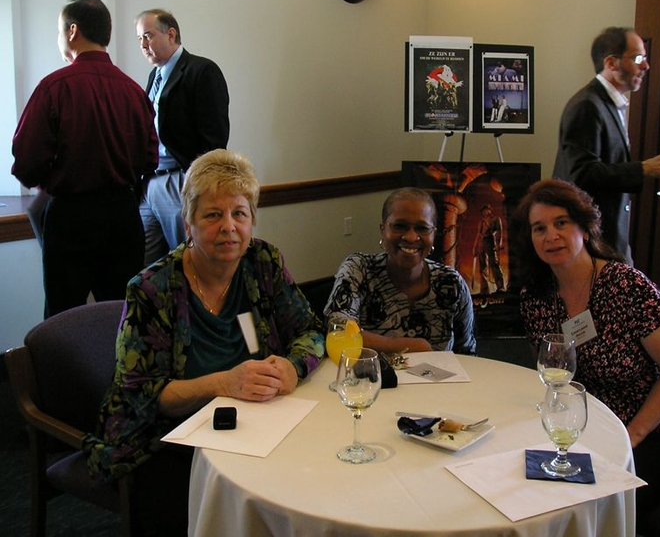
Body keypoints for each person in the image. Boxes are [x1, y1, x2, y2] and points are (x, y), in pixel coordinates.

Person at [84, 149, 324, 535]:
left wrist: (293, 366)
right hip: (164, 441)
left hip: (255, 424)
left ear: (252, 221)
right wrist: (222, 383)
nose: (228, 226)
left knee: (310, 475)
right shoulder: (152, 289)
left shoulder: (264, 263)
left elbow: (311, 331)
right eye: (213, 214)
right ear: (188, 224)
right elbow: (142, 396)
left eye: (239, 213)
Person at [514, 178, 660, 525]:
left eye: (561, 223)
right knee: (524, 486)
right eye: (539, 228)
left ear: (584, 226)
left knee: (584, 504)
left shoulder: (627, 286)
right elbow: (553, 373)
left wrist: (632, 435)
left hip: (645, 429)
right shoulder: (535, 298)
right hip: (579, 426)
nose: (550, 235)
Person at [11, 0, 158, 318]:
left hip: (71, 216)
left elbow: (26, 159)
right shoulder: (134, 92)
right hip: (123, 216)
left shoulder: (54, 87)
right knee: (122, 317)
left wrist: (49, 177)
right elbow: (150, 159)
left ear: (72, 31)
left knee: (63, 314)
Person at [552, 26, 660, 263]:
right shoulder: (587, 106)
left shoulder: (608, 105)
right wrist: (643, 169)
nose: (646, 66)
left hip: (610, 242)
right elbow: (581, 174)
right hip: (590, 247)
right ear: (611, 63)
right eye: (638, 58)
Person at [325, 187, 475, 355]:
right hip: (370, 379)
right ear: (383, 230)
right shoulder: (359, 269)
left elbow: (467, 353)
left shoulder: (451, 283)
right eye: (399, 226)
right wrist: (412, 346)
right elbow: (337, 331)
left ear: (434, 234)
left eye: (422, 228)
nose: (411, 237)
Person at [135, 8, 230, 265]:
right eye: (139, 39)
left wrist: (194, 185)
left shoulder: (201, 70)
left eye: (148, 36)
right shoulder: (154, 76)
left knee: (188, 263)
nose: (143, 45)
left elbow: (215, 139)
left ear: (171, 34)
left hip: (179, 182)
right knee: (146, 270)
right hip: (149, 183)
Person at [473, 204, 505, 294]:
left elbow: (499, 231)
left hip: (490, 241)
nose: (484, 212)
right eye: (483, 211)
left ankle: (500, 287)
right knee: (482, 266)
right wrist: (475, 247)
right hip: (481, 243)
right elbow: (478, 235)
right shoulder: (481, 222)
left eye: (486, 210)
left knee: (494, 264)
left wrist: (499, 244)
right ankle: (484, 289)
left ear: (490, 210)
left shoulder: (495, 219)